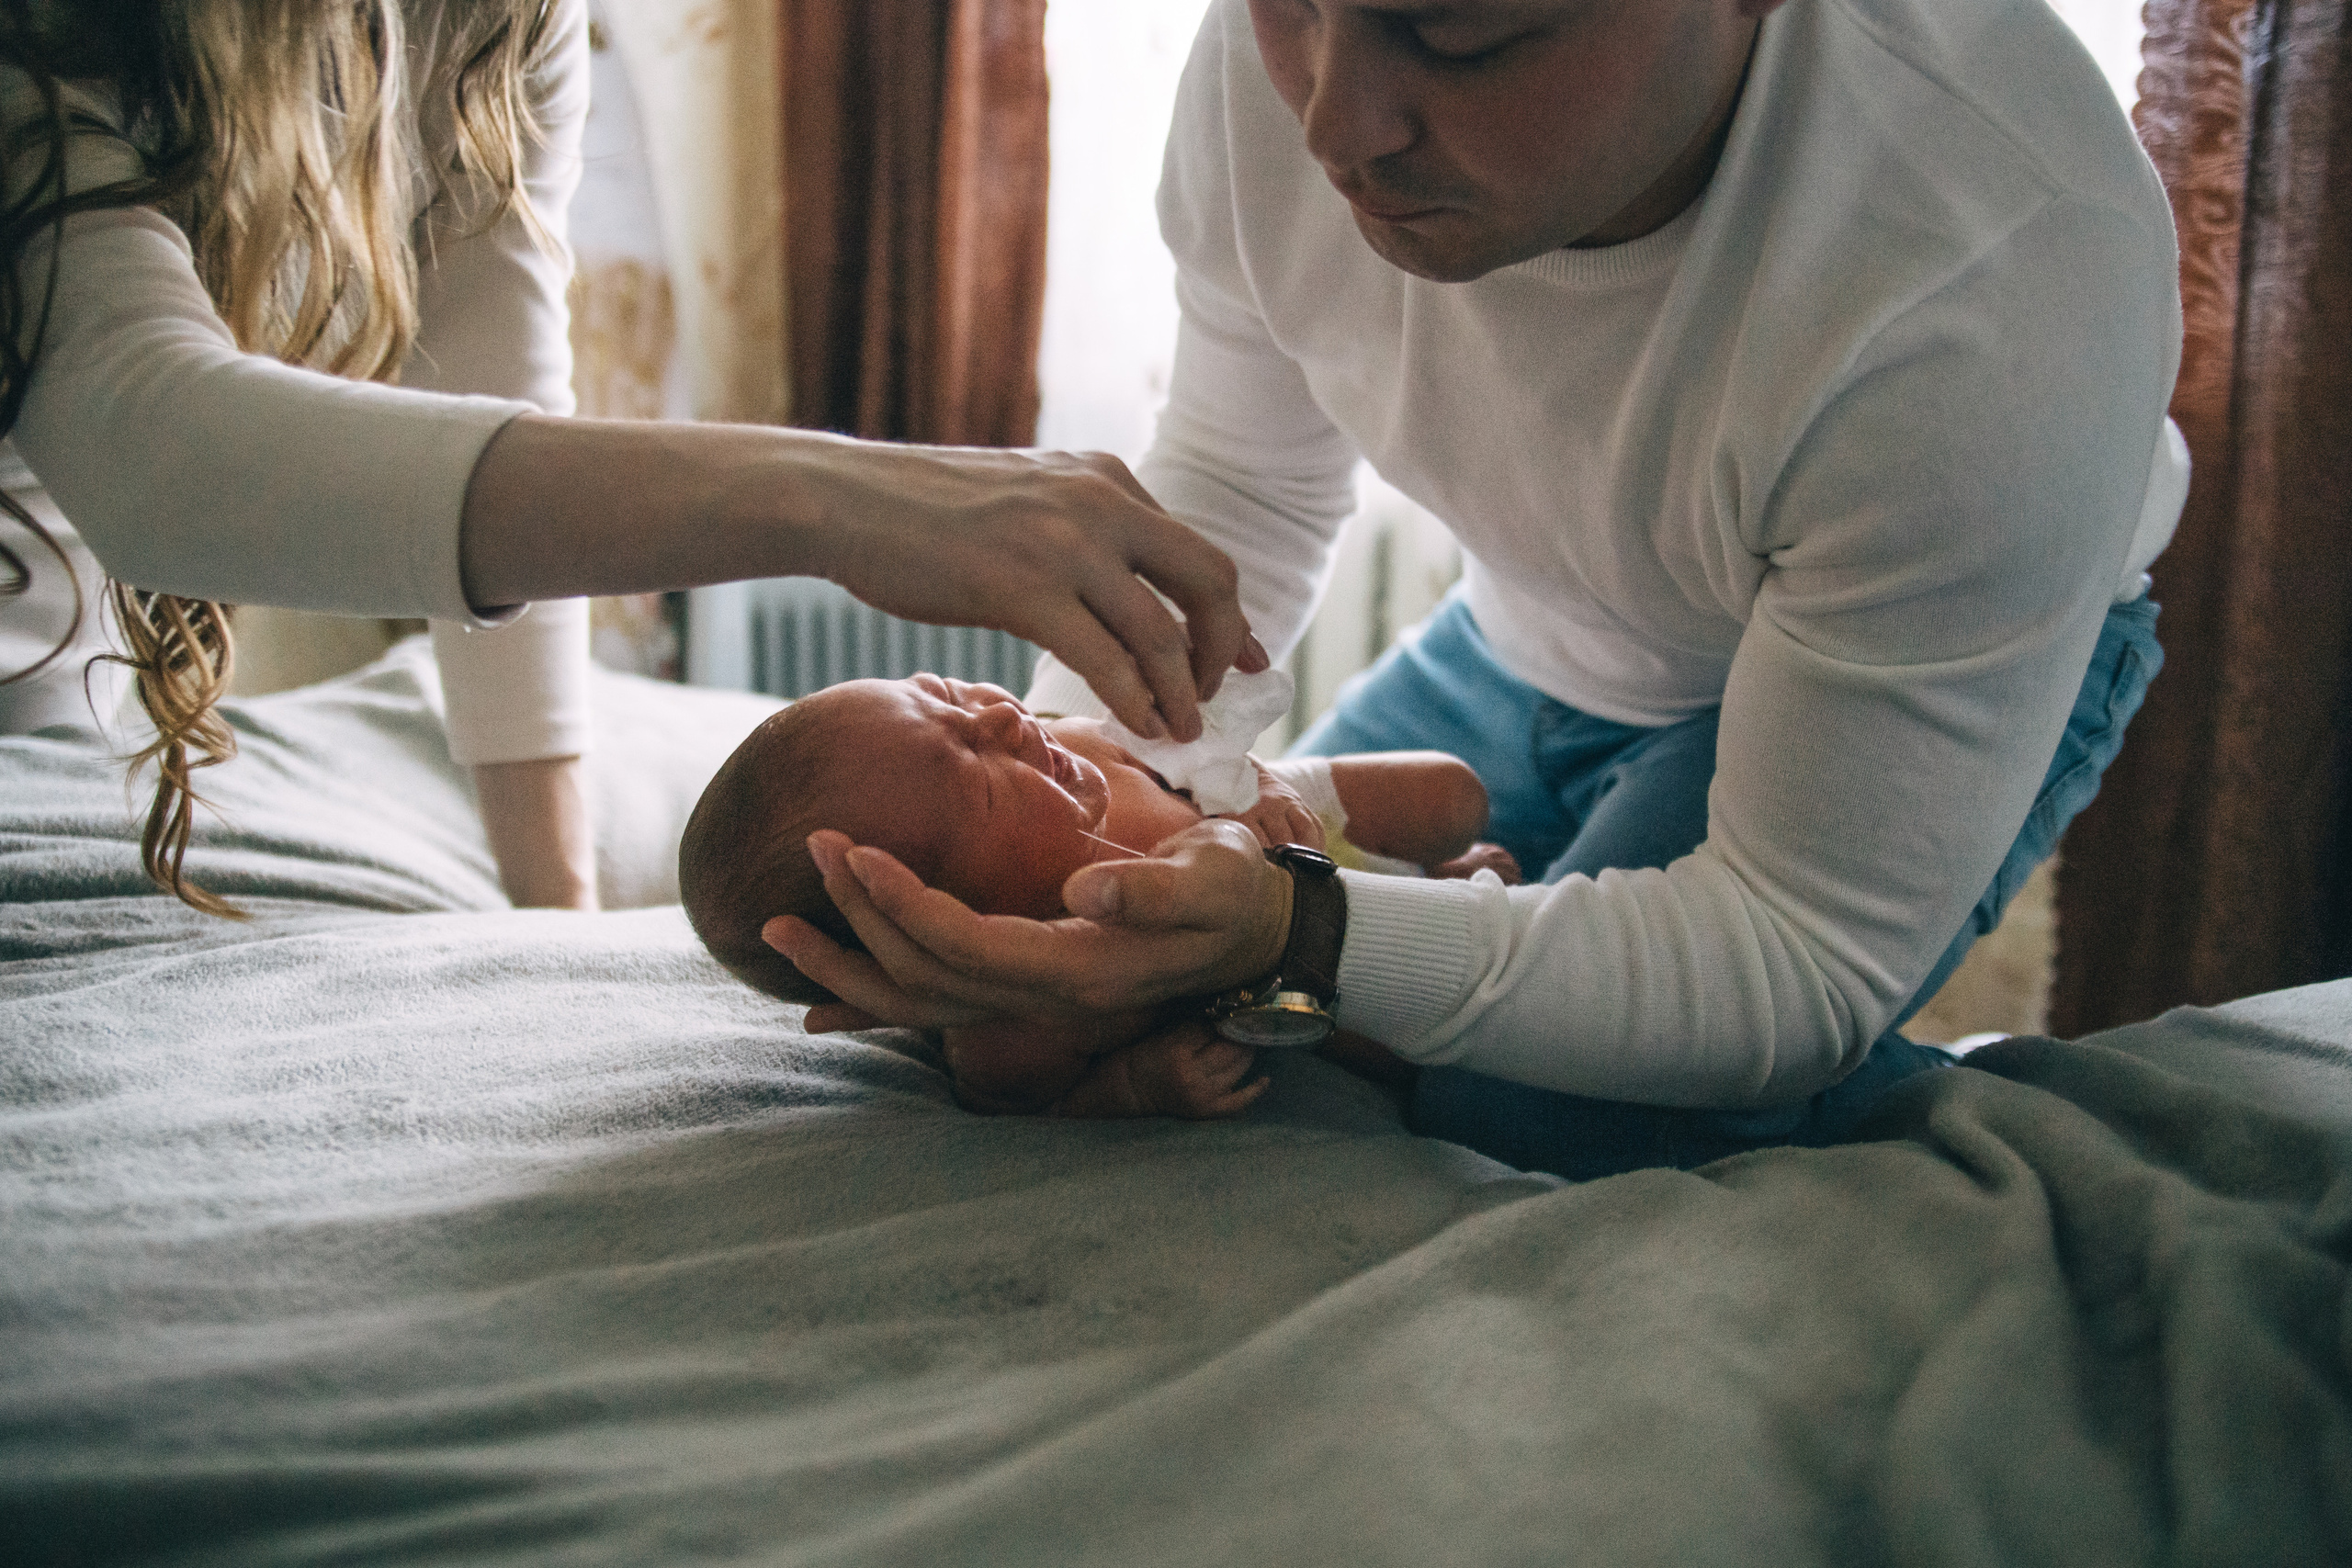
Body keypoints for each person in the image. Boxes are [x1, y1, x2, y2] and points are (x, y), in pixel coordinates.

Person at [768, 0, 2193, 1181]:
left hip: (1865, 665)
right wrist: (1087, 822)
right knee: (1351, 1033)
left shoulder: (1996, 268)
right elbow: (1246, 485)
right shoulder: (1283, 73)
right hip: (1533, 622)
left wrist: (1305, 932)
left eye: (1459, 37)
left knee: (1534, 1121)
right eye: (1292, 6)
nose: (1332, 123)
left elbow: (1786, 955)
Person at [0, 0, 1260, 917]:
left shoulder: (498, 27)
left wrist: (554, 929)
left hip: (67, 724)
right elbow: (151, 449)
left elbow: (497, 405)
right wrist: (845, 499)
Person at [678, 671, 1512, 1117]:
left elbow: (1182, 748)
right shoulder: (1020, 1017)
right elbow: (1034, 1101)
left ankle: (1434, 876)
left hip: (1267, 811)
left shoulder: (1066, 741)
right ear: (955, 922)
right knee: (1425, 1067)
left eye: (949, 693)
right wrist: (1140, 1087)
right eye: (982, 783)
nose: (1007, 718)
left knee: (1452, 796)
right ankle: (1440, 909)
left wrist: (1247, 785)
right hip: (1277, 962)